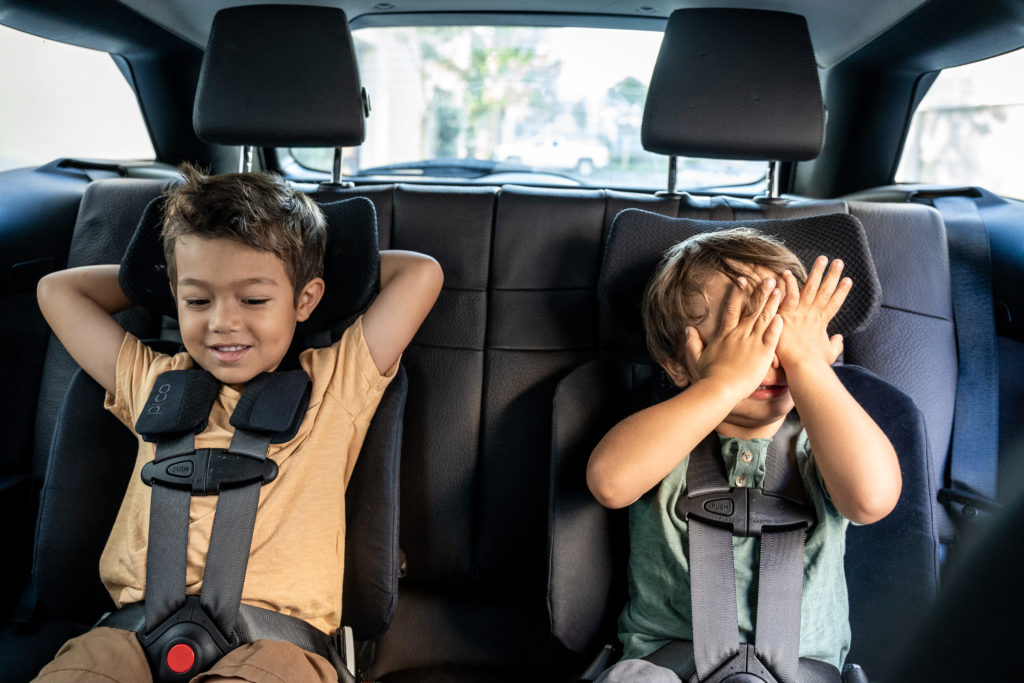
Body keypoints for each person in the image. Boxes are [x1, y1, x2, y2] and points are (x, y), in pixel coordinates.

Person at [33, 165, 443, 683]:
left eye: (253, 299)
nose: (222, 321)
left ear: (306, 299)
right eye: (198, 300)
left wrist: (308, 273)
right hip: (128, 639)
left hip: (278, 646)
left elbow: (421, 276)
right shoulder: (151, 381)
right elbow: (57, 292)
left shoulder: (337, 384)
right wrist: (159, 278)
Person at [586, 228, 901, 682]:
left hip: (803, 672)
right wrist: (723, 384)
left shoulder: (826, 444)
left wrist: (810, 367)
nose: (766, 361)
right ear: (677, 364)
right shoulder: (665, 437)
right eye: (741, 341)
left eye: (780, 338)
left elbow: (871, 499)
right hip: (667, 667)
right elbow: (610, 482)